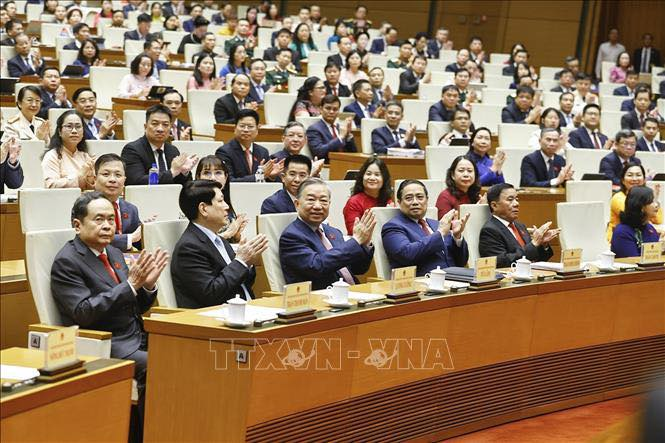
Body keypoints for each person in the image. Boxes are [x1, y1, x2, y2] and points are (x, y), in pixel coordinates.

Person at [51, 192, 168, 440]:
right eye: (99, 219)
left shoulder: (113, 252)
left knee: (185, 352)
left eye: (111, 219)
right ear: (77, 225)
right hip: (106, 342)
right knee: (161, 365)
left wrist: (147, 286)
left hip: (137, 335)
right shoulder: (67, 261)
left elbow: (135, 306)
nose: (107, 226)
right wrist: (130, 286)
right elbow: (83, 313)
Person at [171, 180, 266, 307]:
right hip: (216, 315)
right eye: (221, 201)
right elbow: (211, 294)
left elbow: (242, 284)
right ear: (203, 209)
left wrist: (248, 263)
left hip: (245, 308)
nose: (227, 206)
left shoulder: (219, 240)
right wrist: (241, 261)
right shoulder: (189, 248)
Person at [279, 177, 375, 290]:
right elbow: (317, 266)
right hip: (319, 297)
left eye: (323, 201)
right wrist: (355, 241)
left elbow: (358, 269)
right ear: (297, 204)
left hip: (350, 292)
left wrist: (364, 244)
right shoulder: (291, 236)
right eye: (311, 200)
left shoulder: (334, 232)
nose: (317, 206)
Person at [382, 179, 470, 276]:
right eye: (408, 198)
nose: (415, 202)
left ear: (427, 200)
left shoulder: (436, 224)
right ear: (399, 202)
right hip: (423, 281)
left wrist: (457, 237)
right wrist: (440, 234)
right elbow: (406, 255)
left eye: (420, 197)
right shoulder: (393, 227)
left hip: (454, 278)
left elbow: (462, 261)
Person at [479, 183, 556, 268]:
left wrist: (542, 244)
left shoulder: (520, 226)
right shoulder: (490, 230)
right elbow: (501, 263)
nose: (516, 204)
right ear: (494, 205)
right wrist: (534, 243)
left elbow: (535, 258)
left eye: (516, 199)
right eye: (510, 199)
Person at [121, 104, 196, 185]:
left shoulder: (172, 150)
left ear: (170, 128)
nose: (160, 129)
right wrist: (172, 172)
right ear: (145, 126)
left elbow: (185, 185)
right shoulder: (132, 150)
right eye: (155, 124)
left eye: (165, 125)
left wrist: (184, 172)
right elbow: (136, 181)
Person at [94, 154, 145, 251]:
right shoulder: (85, 207)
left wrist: (145, 230)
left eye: (118, 175)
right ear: (94, 179)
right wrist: (130, 238)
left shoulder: (131, 209)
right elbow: (93, 239)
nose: (112, 180)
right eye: (106, 174)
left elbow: (139, 242)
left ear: (124, 180)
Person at [215, 109, 283, 182]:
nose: (246, 130)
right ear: (235, 128)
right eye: (242, 126)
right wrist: (258, 176)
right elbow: (228, 181)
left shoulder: (262, 152)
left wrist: (271, 176)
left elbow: (266, 181)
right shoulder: (224, 152)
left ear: (257, 130)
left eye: (250, 126)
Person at [195, 155, 248, 244]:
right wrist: (228, 233)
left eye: (218, 173)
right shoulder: (192, 203)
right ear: (198, 177)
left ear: (226, 177)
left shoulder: (226, 204)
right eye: (207, 173)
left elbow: (228, 242)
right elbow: (197, 243)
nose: (212, 178)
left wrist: (236, 235)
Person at [607, 163, 662, 241]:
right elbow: (635, 219)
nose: (634, 179)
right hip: (622, 239)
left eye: (638, 175)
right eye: (630, 175)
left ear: (644, 180)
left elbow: (658, 221)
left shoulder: (646, 197)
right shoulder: (618, 197)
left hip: (641, 237)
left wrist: (654, 200)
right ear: (623, 180)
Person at [41, 110, 95, 190]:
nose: (74, 131)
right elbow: (50, 186)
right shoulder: (52, 155)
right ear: (60, 131)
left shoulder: (85, 156)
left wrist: (90, 179)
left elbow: (93, 189)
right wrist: (79, 176)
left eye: (78, 127)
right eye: (69, 126)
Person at [343, 157, 393, 234]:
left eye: (377, 175)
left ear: (384, 178)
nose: (372, 178)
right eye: (368, 174)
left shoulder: (388, 201)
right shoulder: (354, 202)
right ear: (362, 176)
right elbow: (353, 231)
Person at [611, 186, 661, 258]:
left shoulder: (650, 228)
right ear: (641, 207)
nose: (656, 205)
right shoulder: (623, 232)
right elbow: (633, 261)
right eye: (651, 202)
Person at [306, 95, 358, 161]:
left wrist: (348, 135)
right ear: (321, 109)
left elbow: (354, 153)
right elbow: (319, 152)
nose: (331, 112)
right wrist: (340, 137)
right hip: (327, 165)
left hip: (344, 163)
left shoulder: (340, 128)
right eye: (328, 108)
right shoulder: (314, 129)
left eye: (335, 109)